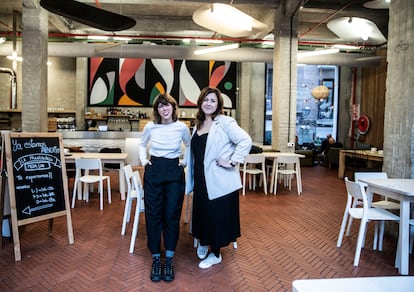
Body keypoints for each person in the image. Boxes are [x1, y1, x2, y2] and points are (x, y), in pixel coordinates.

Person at [185, 86, 252, 269]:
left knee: (215, 218)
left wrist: (232, 161)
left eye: (213, 100)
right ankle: (204, 242)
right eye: (206, 100)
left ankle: (215, 254)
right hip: (201, 180)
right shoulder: (198, 124)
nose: (208, 103)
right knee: (202, 214)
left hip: (219, 181)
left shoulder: (225, 122)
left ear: (218, 104)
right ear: (200, 102)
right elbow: (195, 151)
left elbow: (246, 141)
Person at [139, 93, 191, 282]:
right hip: (154, 170)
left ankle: (168, 258)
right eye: (161, 106)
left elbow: (190, 145)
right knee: (153, 214)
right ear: (157, 110)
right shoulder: (150, 126)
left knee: (171, 215)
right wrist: (144, 161)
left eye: (167, 105)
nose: (164, 108)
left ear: (173, 107)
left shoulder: (181, 127)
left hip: (174, 171)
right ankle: (155, 259)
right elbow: (142, 144)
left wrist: (184, 162)